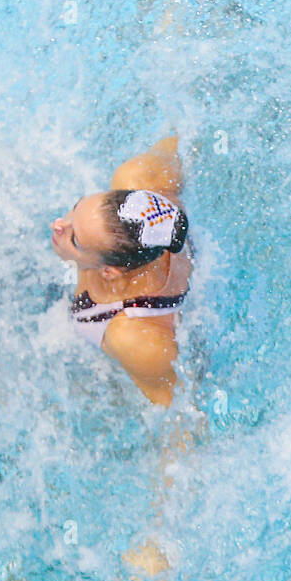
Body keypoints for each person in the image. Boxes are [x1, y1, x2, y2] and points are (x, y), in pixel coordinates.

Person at [51, 135, 191, 406]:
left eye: (75, 240)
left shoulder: (135, 336)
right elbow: (187, 140)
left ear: (110, 272)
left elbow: (177, 410)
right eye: (75, 208)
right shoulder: (141, 178)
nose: (58, 225)